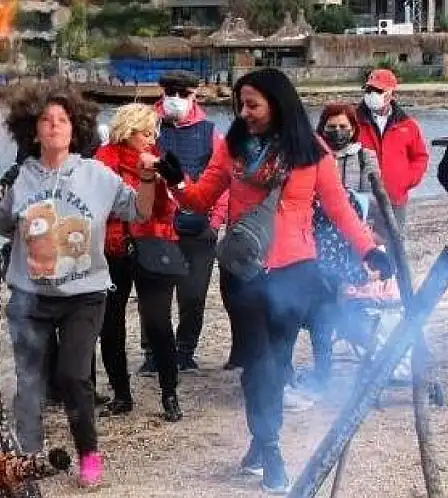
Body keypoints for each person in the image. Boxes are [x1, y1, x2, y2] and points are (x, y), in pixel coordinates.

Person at [156, 68, 393, 493]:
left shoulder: (312, 151)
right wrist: (175, 180)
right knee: (259, 364)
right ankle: (271, 449)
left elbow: (340, 211)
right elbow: (199, 199)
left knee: (278, 363)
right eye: (240, 105)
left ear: (277, 104)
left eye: (252, 105)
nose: (244, 113)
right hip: (244, 273)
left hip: (296, 272)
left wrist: (370, 251)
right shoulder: (232, 149)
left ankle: (258, 440)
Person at [0, 79, 158, 487]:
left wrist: (149, 179)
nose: (54, 126)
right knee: (29, 379)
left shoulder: (96, 175)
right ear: (33, 129)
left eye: (62, 119)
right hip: (30, 296)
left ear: (76, 128)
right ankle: (28, 461)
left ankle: (89, 455)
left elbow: (138, 211)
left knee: (72, 376)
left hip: (84, 296)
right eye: (46, 120)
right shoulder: (17, 178)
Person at [95, 103, 184, 422]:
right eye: (145, 133)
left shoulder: (159, 160)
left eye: (154, 132)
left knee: (159, 323)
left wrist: (161, 179)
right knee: (111, 324)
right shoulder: (102, 160)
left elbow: (168, 208)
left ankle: (170, 393)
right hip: (112, 248)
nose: (152, 138)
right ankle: (121, 393)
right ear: (126, 132)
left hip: (153, 243)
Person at [299, 103, 381, 393]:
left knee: (350, 304)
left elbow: (376, 199)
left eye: (344, 127)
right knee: (321, 307)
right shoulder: (310, 156)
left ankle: (373, 356)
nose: (337, 132)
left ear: (354, 129)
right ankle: (323, 366)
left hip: (352, 240)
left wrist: (372, 243)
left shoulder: (364, 157)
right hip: (316, 240)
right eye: (331, 127)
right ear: (321, 128)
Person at [152, 69, 228, 372]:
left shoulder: (210, 132)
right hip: (157, 226)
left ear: (195, 95)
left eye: (183, 94)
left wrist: (216, 222)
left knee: (193, 295)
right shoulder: (148, 127)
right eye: (170, 92)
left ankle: (185, 350)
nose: (176, 99)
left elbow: (223, 179)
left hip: (198, 226)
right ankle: (153, 352)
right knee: (155, 295)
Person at [356, 69, 429, 243]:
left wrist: (407, 180)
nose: (372, 94)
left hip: (396, 199)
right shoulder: (353, 122)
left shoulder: (409, 125)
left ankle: (395, 271)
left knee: (395, 246)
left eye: (378, 91)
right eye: (368, 90)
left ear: (390, 93)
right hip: (363, 200)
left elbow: (420, 157)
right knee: (362, 246)